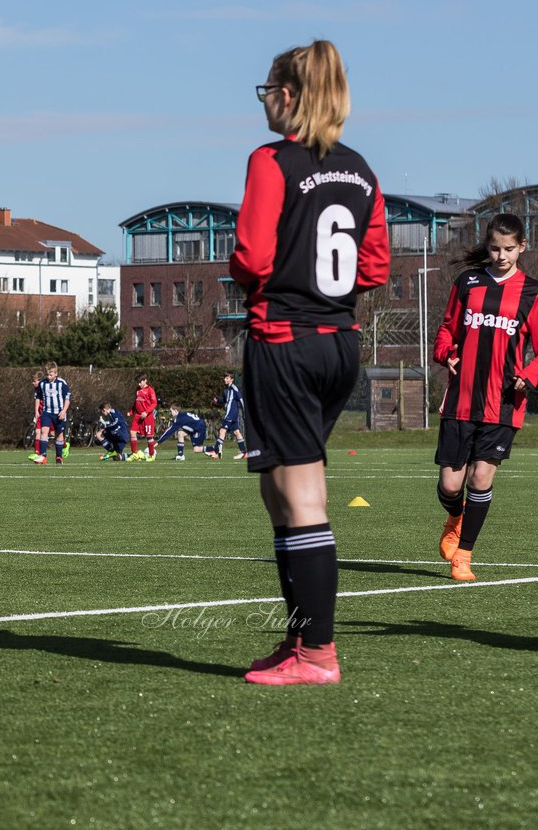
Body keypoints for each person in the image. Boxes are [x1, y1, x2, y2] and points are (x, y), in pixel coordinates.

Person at [230, 41, 390, 685]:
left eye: (266, 89)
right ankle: (301, 638)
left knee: (301, 495)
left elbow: (250, 255)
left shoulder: (271, 161)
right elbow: (374, 265)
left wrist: (263, 280)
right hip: (339, 342)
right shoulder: (361, 170)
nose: (264, 100)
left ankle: (318, 654)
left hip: (284, 341)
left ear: (290, 96)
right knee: (279, 490)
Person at [433, 214, 538, 582]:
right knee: (451, 486)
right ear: (488, 245)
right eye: (495, 248)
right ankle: (454, 517)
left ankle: (464, 555)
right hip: (462, 398)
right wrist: (446, 352)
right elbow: (447, 328)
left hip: (504, 403)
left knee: (481, 479)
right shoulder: (467, 282)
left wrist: (529, 375)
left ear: (522, 247)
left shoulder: (534, 292)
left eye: (509, 249)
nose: (501, 255)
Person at [31, 362, 70, 465]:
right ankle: (43, 456)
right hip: (46, 412)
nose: (49, 376)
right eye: (47, 374)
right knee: (44, 432)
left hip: (59, 413)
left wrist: (64, 411)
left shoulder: (61, 383)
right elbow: (38, 397)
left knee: (59, 434)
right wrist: (36, 411)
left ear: (56, 373)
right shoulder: (42, 384)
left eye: (51, 374)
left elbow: (67, 398)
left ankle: (59, 457)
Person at [213, 371, 247, 460]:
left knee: (222, 431)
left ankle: (216, 452)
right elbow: (224, 400)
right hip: (232, 414)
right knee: (236, 432)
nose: (225, 379)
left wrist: (244, 413)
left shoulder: (234, 389)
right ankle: (244, 452)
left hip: (231, 414)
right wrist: (218, 400)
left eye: (227, 378)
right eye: (224, 378)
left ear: (232, 379)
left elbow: (241, 400)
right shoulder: (226, 390)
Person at [128, 375, 158, 461]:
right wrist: (131, 411)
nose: (139, 384)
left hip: (147, 416)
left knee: (149, 436)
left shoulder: (150, 390)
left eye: (140, 382)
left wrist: (146, 412)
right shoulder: (138, 390)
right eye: (138, 382)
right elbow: (136, 402)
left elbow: (154, 403)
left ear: (145, 380)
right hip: (138, 415)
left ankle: (152, 455)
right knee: (132, 432)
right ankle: (135, 454)